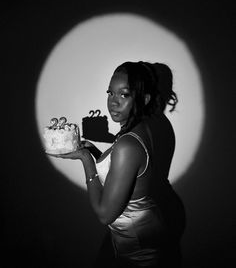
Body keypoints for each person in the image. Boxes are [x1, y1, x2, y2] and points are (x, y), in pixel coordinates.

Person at [52, 61, 186, 267]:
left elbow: (105, 214)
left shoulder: (128, 144)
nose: (112, 102)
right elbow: (131, 171)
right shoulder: (156, 123)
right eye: (110, 93)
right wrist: (94, 151)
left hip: (138, 243)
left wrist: (86, 159)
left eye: (123, 94)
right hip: (161, 221)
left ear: (144, 98)